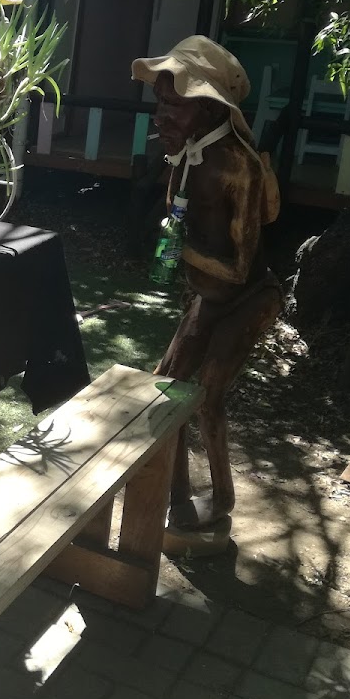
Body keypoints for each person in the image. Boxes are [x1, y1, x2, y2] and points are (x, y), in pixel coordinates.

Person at [131, 36, 282, 535]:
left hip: (248, 297)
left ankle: (221, 496)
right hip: (208, 298)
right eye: (160, 103)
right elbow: (179, 219)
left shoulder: (238, 166)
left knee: (208, 395)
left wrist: (179, 249)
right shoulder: (185, 156)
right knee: (166, 389)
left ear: (211, 108)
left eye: (175, 106)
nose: (161, 116)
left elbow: (239, 267)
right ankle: (174, 495)